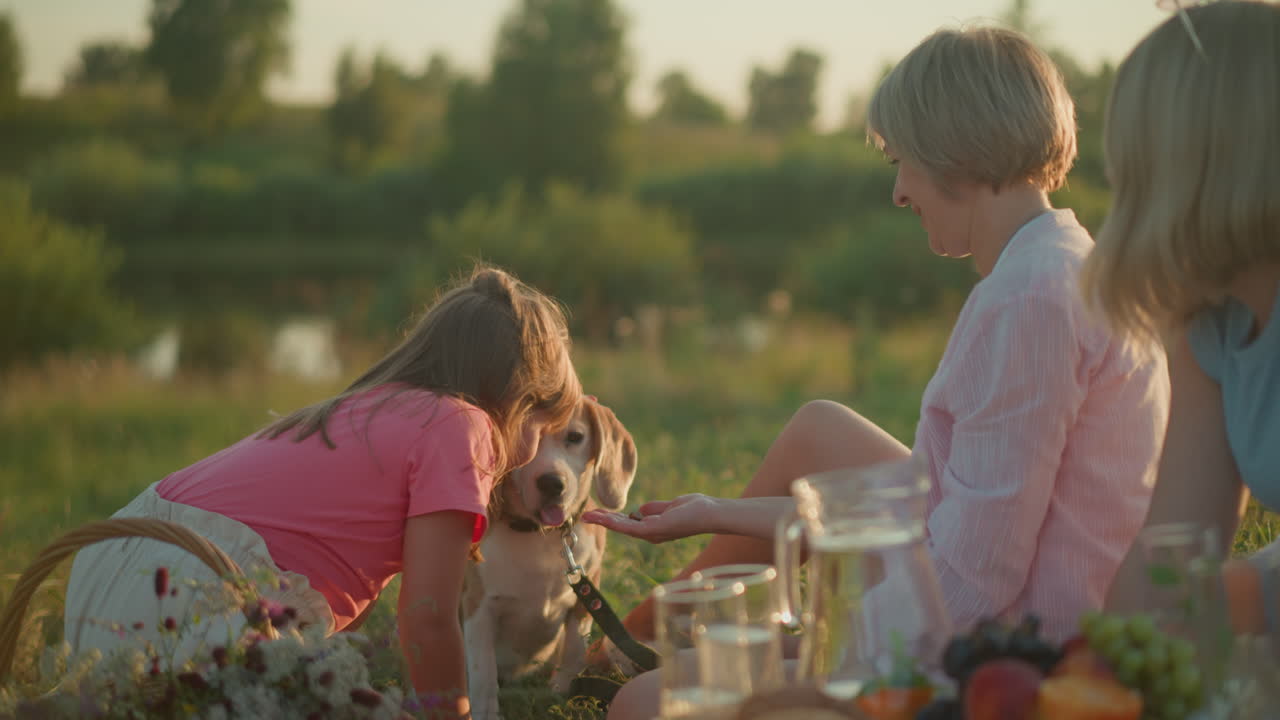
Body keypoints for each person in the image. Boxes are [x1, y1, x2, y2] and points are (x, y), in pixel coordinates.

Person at [585, 24, 1171, 719]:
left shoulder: (1029, 301)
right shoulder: (1064, 261)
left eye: (903, 161)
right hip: (1010, 623)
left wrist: (840, 655)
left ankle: (645, 656)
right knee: (820, 434)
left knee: (645, 705)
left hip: (1019, 662)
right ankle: (640, 641)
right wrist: (716, 514)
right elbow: (937, 514)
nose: (898, 192)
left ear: (955, 149)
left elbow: (979, 576)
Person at [63, 265, 582, 719]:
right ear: (518, 399)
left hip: (115, 565)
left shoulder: (368, 407)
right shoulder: (462, 427)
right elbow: (427, 619)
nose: (534, 451)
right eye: (542, 425)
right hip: (199, 587)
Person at [1085, 0, 1280, 635]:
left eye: (1131, 160)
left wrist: (1237, 600)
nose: (1117, 178)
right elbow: (1174, 548)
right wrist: (1103, 664)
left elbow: (1216, 598)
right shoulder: (1212, 326)